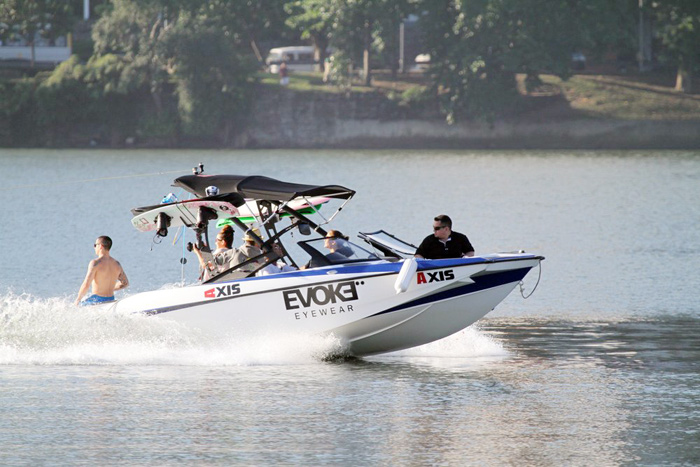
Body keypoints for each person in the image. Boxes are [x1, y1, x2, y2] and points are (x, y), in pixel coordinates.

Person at [76, 236, 129, 306]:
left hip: (97, 300)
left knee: (76, 306)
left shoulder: (95, 263)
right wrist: (108, 288)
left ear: (100, 246)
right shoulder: (117, 264)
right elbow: (125, 283)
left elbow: (86, 284)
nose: (94, 247)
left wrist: (78, 299)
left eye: (95, 245)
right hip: (111, 299)